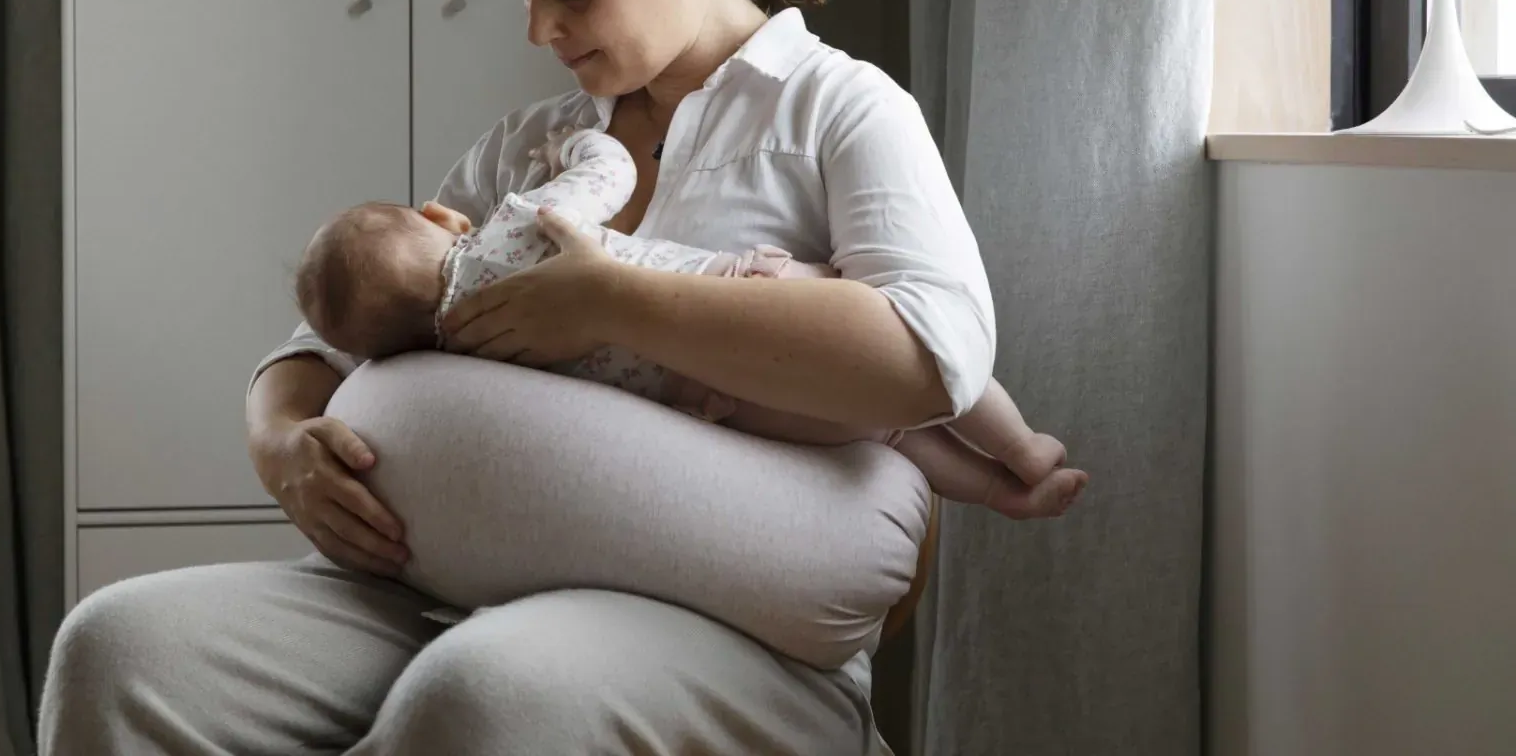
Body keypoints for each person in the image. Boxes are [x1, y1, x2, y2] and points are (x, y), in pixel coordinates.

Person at [40, 0, 1001, 754]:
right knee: (119, 648)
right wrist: (283, 445)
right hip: (454, 586)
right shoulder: (529, 144)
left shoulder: (839, 112)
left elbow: (934, 355)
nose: (541, 28)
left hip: (727, 632)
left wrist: (614, 304)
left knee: (488, 693)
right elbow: (320, 344)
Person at [298, 127, 1085, 521]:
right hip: (740, 296)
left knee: (886, 431)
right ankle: (1019, 448)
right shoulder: (513, 225)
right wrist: (571, 145)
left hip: (713, 411)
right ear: (440, 219)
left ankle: (990, 488)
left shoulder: (461, 357)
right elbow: (612, 172)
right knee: (916, 363)